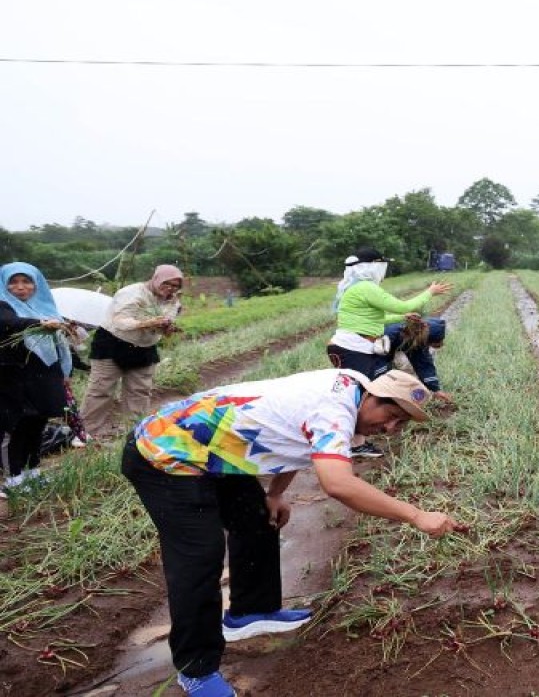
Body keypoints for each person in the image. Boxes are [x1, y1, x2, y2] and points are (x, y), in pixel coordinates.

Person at [122, 368, 465, 697]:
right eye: (390, 415)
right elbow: (338, 484)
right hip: (166, 451)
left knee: (258, 518)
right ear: (372, 396)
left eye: (400, 423)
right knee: (199, 557)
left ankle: (250, 612)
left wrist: (275, 494)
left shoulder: (352, 389)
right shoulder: (334, 411)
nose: (390, 428)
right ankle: (195, 669)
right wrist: (416, 515)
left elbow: (289, 440)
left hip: (214, 447)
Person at [327, 248, 452, 457]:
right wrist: (430, 292)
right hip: (353, 349)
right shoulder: (366, 287)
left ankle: (357, 441)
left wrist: (404, 316)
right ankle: (354, 443)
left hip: (352, 347)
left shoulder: (357, 288)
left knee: (365, 391)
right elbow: (403, 305)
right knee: (366, 393)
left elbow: (376, 319)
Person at [82, 265, 184, 439]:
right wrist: (147, 323)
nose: (170, 288)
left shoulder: (172, 301)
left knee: (139, 391)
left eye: (175, 286)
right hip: (113, 343)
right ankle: (88, 432)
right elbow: (120, 321)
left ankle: (133, 432)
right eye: (167, 283)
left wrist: (168, 329)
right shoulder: (131, 293)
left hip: (144, 348)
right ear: (156, 278)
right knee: (101, 389)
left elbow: (164, 330)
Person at [0, 262, 72, 491]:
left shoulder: (45, 307)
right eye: (14, 282)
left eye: (27, 281)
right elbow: (9, 323)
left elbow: (59, 345)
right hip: (14, 378)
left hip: (44, 377)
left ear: (36, 283)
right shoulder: (3, 306)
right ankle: (14, 477)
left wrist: (70, 367)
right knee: (17, 426)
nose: (21, 287)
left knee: (38, 423)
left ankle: (33, 470)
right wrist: (38, 324)